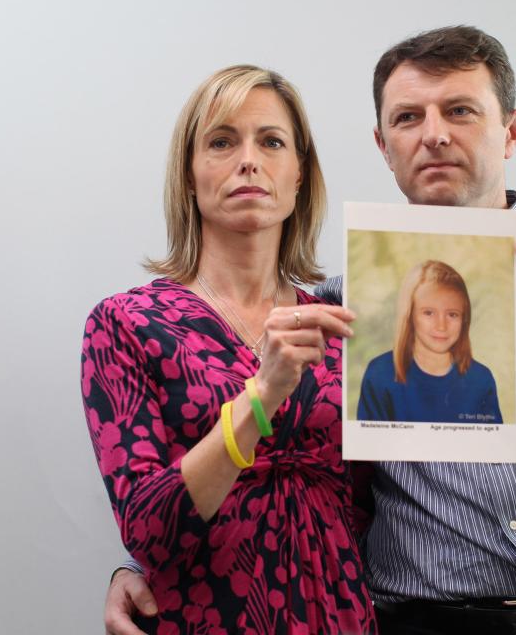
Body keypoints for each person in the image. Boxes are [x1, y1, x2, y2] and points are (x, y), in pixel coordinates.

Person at [105, 26, 516, 635]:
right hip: (418, 623)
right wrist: (140, 564)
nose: (435, 134)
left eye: (460, 110)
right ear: (383, 145)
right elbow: (298, 465)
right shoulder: (343, 307)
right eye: (408, 118)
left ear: (513, 130)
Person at [83, 64, 376, 634]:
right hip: (204, 618)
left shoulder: (344, 322)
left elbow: (381, 503)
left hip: (340, 616)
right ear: (189, 175)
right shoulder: (127, 324)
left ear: (298, 176)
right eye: (222, 141)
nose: (249, 160)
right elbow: (148, 529)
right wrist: (259, 399)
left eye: (271, 142)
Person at [357, 259, 502, 424]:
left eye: (452, 314)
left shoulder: (481, 379)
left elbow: (494, 446)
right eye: (428, 313)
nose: (441, 326)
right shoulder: (379, 374)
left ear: (464, 318)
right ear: (409, 315)